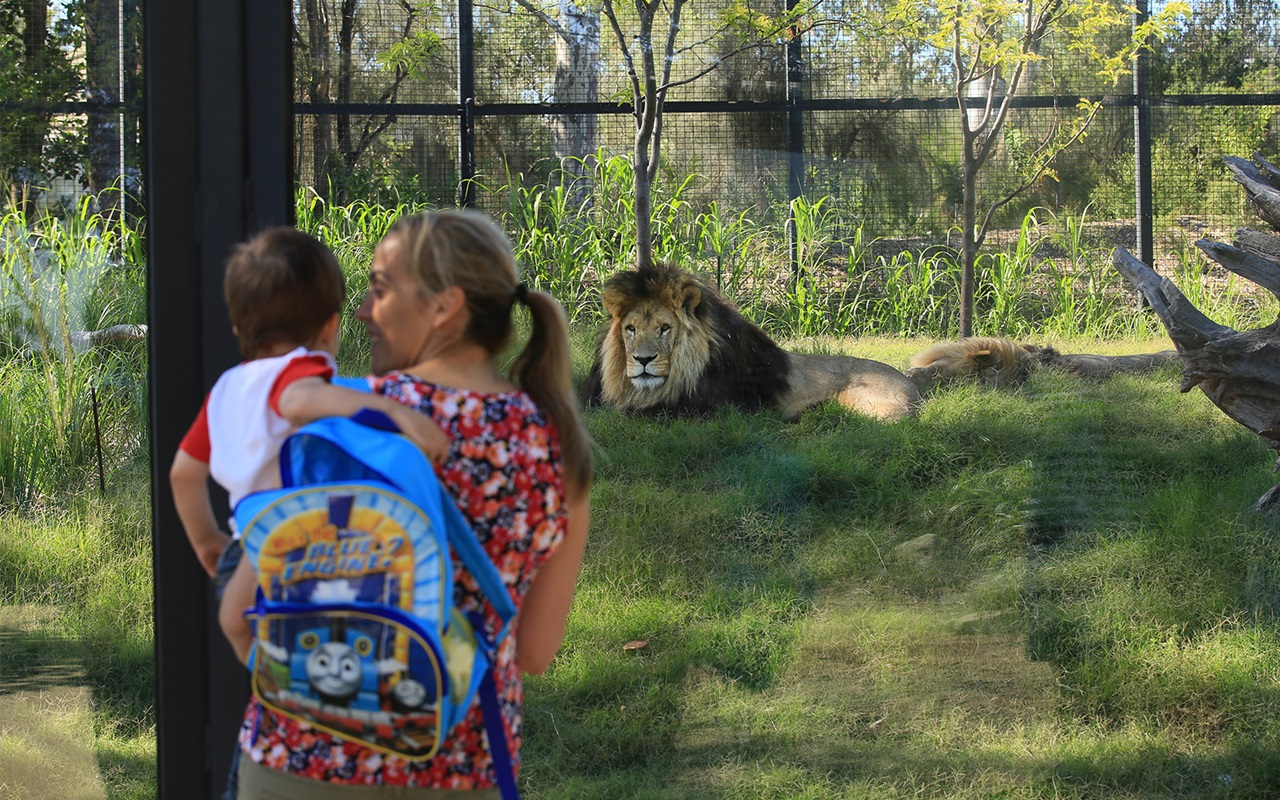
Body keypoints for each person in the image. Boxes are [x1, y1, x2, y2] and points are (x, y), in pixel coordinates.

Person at [219, 209, 594, 799]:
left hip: (302, 760)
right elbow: (536, 651)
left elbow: (238, 610)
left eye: (380, 289)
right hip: (460, 764)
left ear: (444, 306)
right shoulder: (553, 445)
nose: (363, 311)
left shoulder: (344, 418)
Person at [169, 226, 449, 593]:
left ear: (238, 327)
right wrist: (393, 412)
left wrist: (208, 545)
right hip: (299, 548)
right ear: (329, 328)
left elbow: (183, 474)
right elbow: (298, 402)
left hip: (244, 547)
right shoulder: (298, 368)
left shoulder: (225, 389)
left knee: (245, 625)